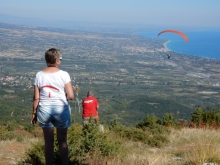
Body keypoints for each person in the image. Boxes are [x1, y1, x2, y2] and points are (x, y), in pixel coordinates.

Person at [31, 48, 74, 165]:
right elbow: (71, 96)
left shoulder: (39, 75)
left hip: (44, 109)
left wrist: (34, 113)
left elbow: (36, 98)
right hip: (61, 109)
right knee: (62, 141)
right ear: (57, 61)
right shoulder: (64, 74)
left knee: (48, 142)